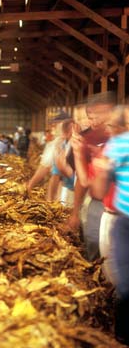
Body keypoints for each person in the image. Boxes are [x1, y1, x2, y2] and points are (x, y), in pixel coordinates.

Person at [89, 105, 129, 345]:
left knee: (126, 286)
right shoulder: (117, 145)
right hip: (124, 222)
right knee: (126, 287)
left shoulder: (117, 145)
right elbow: (99, 191)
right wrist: (102, 172)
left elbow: (98, 191)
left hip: (123, 222)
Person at [68, 92, 116, 261]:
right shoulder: (88, 141)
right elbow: (86, 182)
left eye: (97, 117)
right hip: (102, 207)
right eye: (90, 117)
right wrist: (78, 153)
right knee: (96, 248)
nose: (91, 122)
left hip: (117, 211)